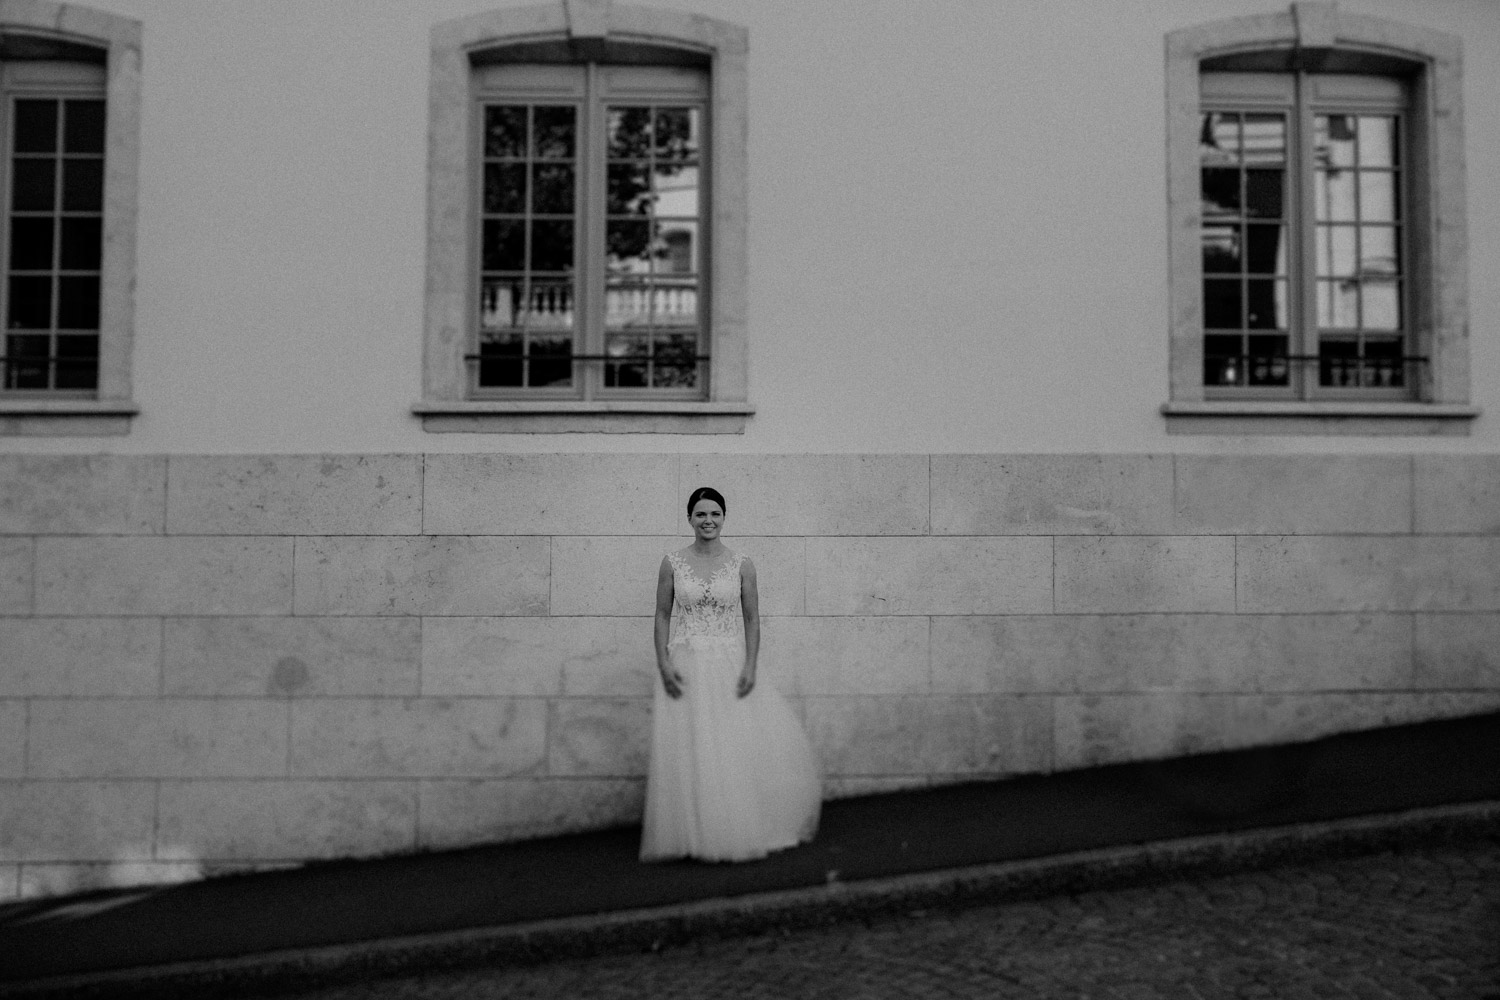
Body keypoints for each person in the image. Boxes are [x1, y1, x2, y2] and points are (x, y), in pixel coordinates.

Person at [639, 487, 822, 862]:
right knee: (692, 747)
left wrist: (751, 664)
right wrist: (663, 662)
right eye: (701, 514)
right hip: (685, 663)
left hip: (728, 662)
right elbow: (662, 615)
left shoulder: (742, 564)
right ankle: (696, 834)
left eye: (715, 514)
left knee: (730, 746)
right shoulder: (672, 562)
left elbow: (753, 618)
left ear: (724, 518)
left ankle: (733, 829)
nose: (708, 520)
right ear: (689, 518)